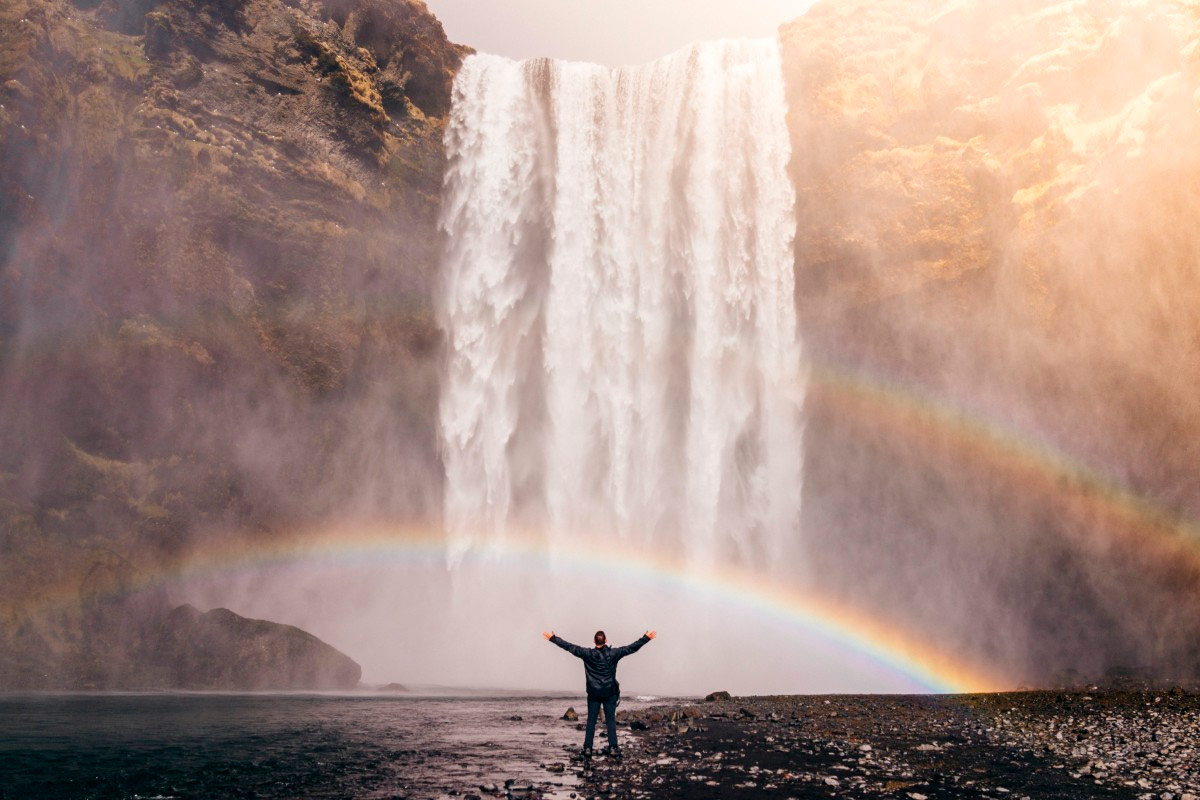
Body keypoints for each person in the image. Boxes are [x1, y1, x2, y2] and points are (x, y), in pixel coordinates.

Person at [542, 628, 656, 759]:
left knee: (591, 721)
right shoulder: (614, 653)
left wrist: (553, 638)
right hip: (609, 692)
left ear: (594, 641)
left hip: (593, 693)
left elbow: (569, 646)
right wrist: (646, 638)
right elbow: (631, 648)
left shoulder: (587, 653)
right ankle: (613, 748)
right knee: (610, 721)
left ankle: (588, 748)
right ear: (606, 641)